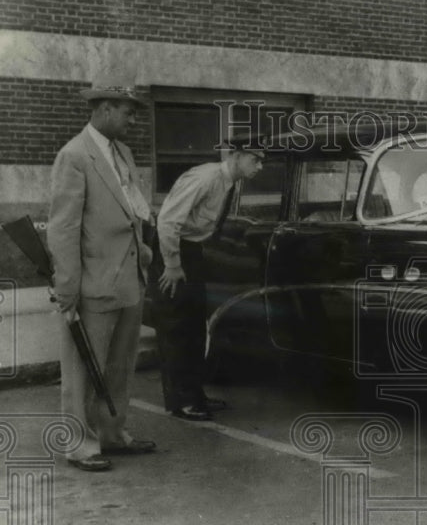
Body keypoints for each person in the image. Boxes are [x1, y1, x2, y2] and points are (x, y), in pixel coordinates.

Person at [47, 83, 157, 471]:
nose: (132, 120)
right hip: (92, 282)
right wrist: (67, 287)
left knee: (119, 365)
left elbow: (132, 210)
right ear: (106, 109)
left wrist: (142, 252)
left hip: (128, 279)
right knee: (81, 370)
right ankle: (80, 445)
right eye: (128, 112)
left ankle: (112, 433)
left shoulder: (122, 153)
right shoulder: (74, 156)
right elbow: (63, 229)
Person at [152, 132, 266, 421]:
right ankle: (181, 401)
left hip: (191, 250)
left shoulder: (228, 182)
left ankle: (194, 393)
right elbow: (166, 221)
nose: (260, 167)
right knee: (177, 327)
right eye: (256, 159)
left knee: (194, 325)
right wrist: (173, 264)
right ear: (236, 156)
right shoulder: (205, 178)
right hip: (172, 250)